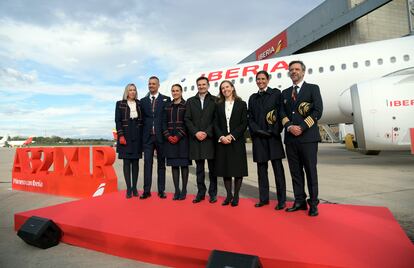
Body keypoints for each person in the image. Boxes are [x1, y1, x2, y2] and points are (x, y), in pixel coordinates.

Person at [280, 60, 323, 216]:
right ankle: (299, 201)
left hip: (308, 138)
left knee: (311, 171)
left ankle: (313, 203)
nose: (294, 71)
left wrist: (302, 127)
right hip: (291, 139)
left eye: (297, 69)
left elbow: (318, 111)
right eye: (291, 69)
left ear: (303, 72)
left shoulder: (312, 89)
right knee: (295, 172)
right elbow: (282, 114)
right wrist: (289, 127)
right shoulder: (285, 93)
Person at [248, 70, 287, 210]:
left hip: (273, 138)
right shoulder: (252, 98)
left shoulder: (276, 94)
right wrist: (258, 131)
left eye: (263, 79)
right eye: (258, 79)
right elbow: (250, 118)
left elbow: (282, 112)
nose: (260, 81)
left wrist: (274, 130)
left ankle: (281, 200)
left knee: (278, 171)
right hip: (259, 139)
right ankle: (263, 199)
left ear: (268, 79)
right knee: (261, 171)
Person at [214, 80, 248, 207]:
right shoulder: (218, 105)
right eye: (222, 88)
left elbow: (244, 123)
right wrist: (222, 136)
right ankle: (229, 195)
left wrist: (232, 135)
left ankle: (236, 195)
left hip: (236, 140)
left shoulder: (241, 104)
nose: (225, 90)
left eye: (227, 87)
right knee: (226, 169)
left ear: (232, 88)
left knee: (238, 170)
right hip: (222, 141)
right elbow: (215, 123)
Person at [184, 77, 218, 203]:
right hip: (196, 139)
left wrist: (207, 132)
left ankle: (213, 193)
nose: (201, 86)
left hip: (210, 139)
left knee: (212, 169)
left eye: (204, 84)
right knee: (199, 170)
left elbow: (216, 119)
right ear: (197, 86)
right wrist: (196, 132)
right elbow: (187, 119)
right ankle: (201, 193)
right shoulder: (190, 101)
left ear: (208, 85)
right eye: (199, 85)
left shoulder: (215, 100)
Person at [140, 76, 171, 199]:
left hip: (161, 137)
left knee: (161, 165)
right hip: (147, 137)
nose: (151, 86)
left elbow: (168, 118)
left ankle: (161, 190)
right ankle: (146, 191)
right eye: (149, 84)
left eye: (153, 84)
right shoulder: (143, 101)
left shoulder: (166, 99)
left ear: (158, 85)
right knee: (147, 163)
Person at [162, 84, 191, 200]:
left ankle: (184, 189)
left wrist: (178, 136)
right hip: (170, 140)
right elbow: (163, 123)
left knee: (184, 166)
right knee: (174, 166)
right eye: (173, 91)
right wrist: (168, 136)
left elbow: (187, 122)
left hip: (183, 140)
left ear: (181, 91)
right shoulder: (167, 106)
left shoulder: (186, 105)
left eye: (177, 91)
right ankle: (176, 190)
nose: (175, 93)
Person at [115, 83, 143, 198]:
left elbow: (143, 120)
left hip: (137, 134)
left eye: (134, 90)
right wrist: (120, 135)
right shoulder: (120, 104)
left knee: (135, 163)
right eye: (130, 90)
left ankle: (135, 188)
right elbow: (118, 121)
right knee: (126, 163)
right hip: (125, 134)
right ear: (127, 91)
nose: (132, 92)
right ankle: (128, 188)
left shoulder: (139, 103)